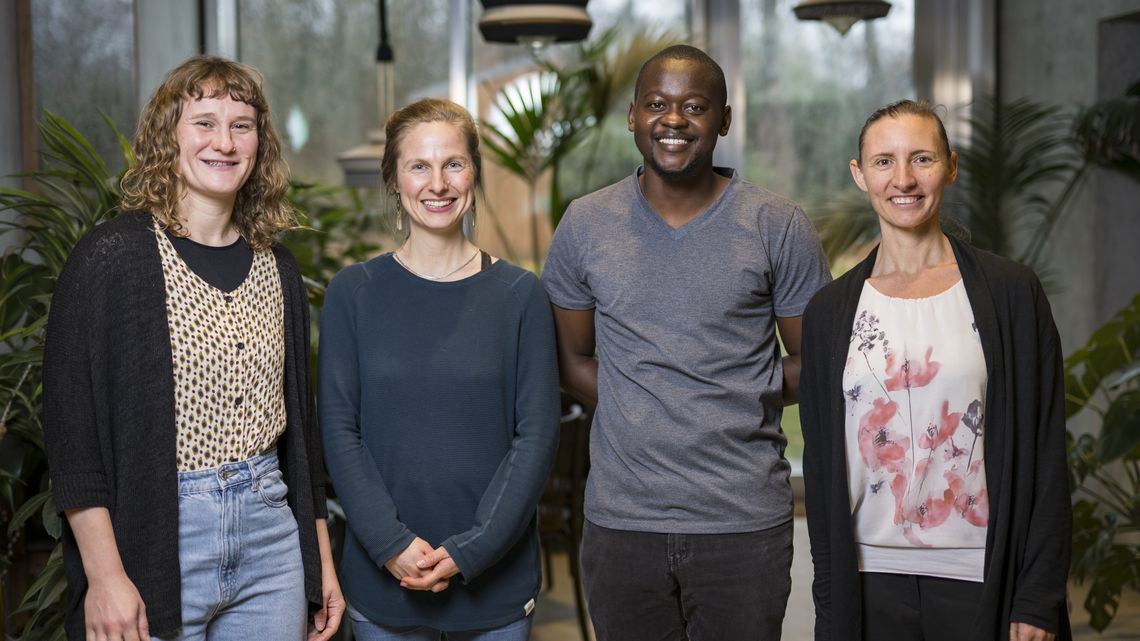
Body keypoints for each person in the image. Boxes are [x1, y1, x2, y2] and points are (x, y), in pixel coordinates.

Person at [42, 56, 343, 641]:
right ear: (167, 136)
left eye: (241, 125)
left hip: (270, 540)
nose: (224, 142)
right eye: (204, 122)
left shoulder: (277, 266)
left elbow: (301, 438)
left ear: (259, 142)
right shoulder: (111, 258)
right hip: (155, 536)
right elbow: (71, 437)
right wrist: (105, 577)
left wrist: (321, 563)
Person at [541, 45, 832, 640]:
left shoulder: (776, 224)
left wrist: (733, 392)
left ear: (723, 120)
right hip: (623, 522)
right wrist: (641, 396)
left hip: (743, 520)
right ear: (632, 116)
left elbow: (818, 361)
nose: (673, 120)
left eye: (694, 106)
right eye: (657, 104)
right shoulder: (586, 223)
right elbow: (568, 360)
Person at [799, 100, 1071, 641]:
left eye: (921, 158)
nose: (903, 179)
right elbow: (823, 469)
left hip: (981, 579)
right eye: (883, 162)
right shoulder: (829, 312)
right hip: (868, 581)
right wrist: (829, 608)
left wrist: (1037, 597)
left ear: (950, 166)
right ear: (860, 175)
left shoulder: (1010, 292)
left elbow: (1045, 450)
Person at [319, 98, 560, 641]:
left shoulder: (521, 296)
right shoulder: (352, 294)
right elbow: (339, 432)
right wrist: (390, 545)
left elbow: (537, 437)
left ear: (474, 172)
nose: (438, 183)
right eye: (419, 166)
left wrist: (471, 550)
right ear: (394, 179)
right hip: (383, 583)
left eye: (453, 163)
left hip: (494, 585)